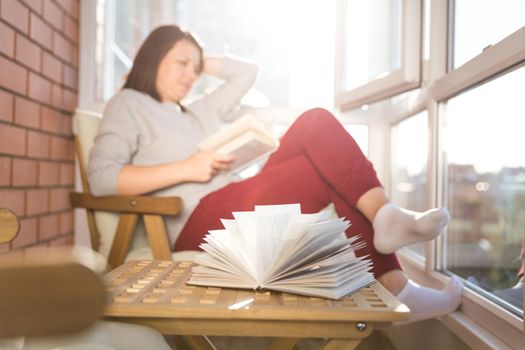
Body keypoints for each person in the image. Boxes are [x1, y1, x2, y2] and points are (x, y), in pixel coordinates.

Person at [88, 25, 463, 323]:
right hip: (198, 220)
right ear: (153, 58)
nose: (191, 74)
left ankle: (385, 224)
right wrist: (188, 168)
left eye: (195, 67)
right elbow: (103, 178)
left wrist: (196, 53)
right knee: (320, 163)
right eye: (181, 63)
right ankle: (394, 271)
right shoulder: (128, 104)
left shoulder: (198, 110)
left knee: (315, 124)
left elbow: (247, 73)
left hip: (236, 199)